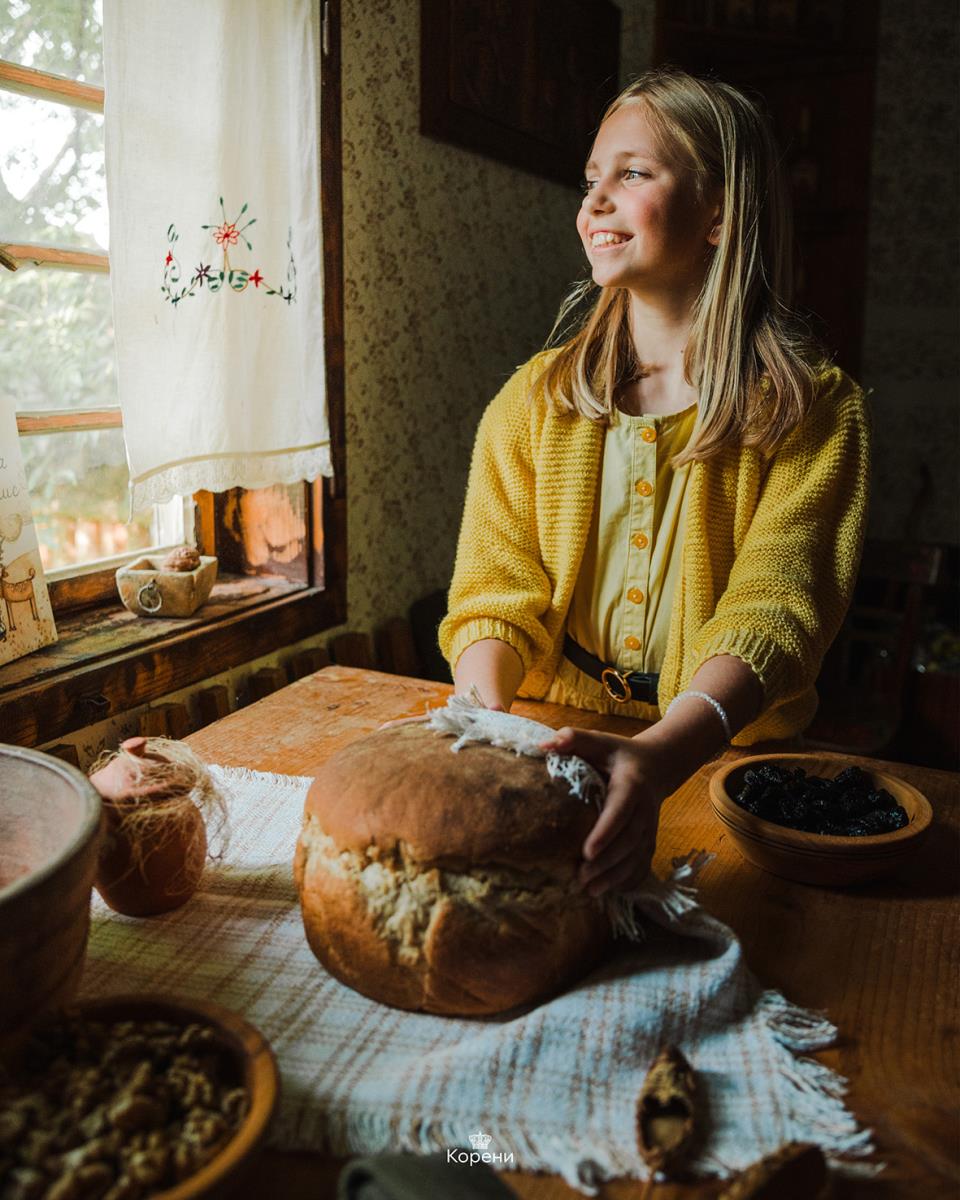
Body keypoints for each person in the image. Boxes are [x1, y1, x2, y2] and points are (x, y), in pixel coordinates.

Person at [437, 67, 870, 901]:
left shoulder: (814, 411)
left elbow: (774, 609)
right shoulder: (535, 400)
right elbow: (495, 591)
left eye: (632, 174)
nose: (596, 201)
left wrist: (662, 753)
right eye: (591, 178)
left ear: (719, 212)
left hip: (726, 755)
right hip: (553, 735)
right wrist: (488, 721)